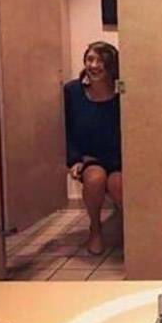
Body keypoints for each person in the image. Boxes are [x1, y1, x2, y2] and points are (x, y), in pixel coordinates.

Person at [64, 41, 122, 256]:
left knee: (118, 185)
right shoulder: (72, 91)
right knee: (95, 179)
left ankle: (128, 227)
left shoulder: (122, 91)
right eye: (90, 59)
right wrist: (74, 159)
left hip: (118, 157)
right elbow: (64, 128)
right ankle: (95, 229)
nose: (94, 65)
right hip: (90, 156)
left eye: (101, 61)